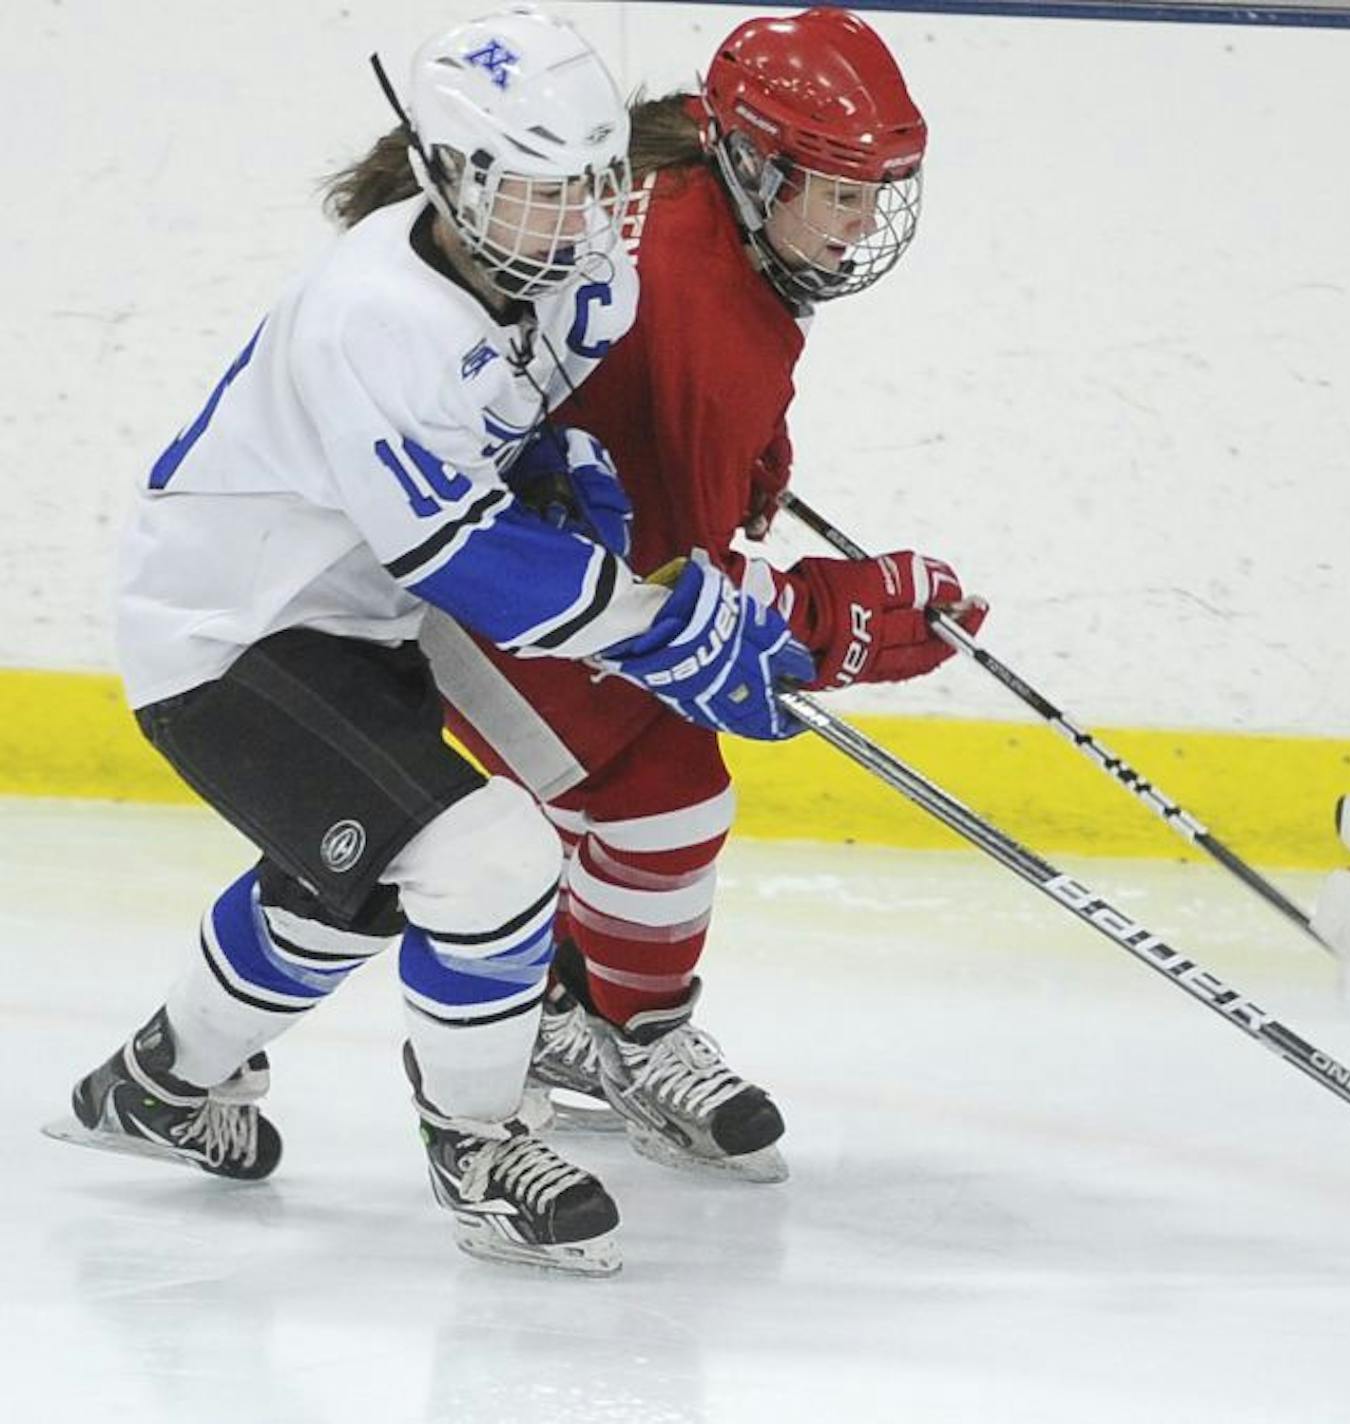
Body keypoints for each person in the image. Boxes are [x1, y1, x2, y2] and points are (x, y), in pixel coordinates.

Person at [44, 5, 815, 1276]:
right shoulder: (375, 315)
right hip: (228, 630)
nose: (571, 221)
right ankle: (478, 1141)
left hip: (352, 622)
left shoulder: (576, 267)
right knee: (489, 856)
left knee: (343, 889)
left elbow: (534, 438)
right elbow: (461, 554)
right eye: (532, 191)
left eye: (588, 186)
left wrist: (580, 476)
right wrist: (663, 627)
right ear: (451, 177)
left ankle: (157, 1085)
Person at [331, 7, 981, 1178]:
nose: (864, 222)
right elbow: (678, 593)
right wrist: (841, 620)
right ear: (757, 163)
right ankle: (622, 1034)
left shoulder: (691, 172)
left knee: (639, 784)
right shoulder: (694, 286)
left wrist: (741, 443)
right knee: (658, 787)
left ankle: (580, 1000)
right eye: (839, 192)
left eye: (876, 191)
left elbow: (658, 466)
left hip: (526, 524)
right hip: (453, 557)